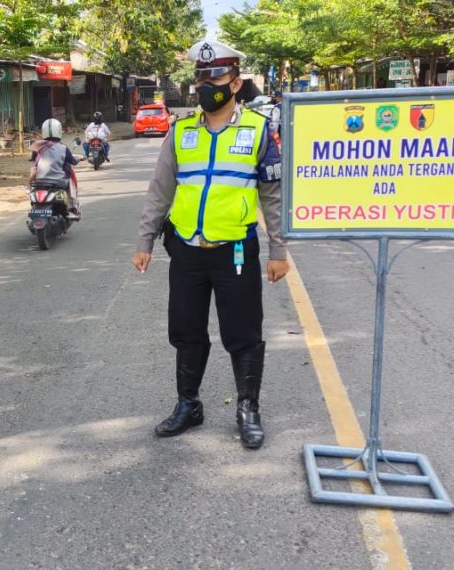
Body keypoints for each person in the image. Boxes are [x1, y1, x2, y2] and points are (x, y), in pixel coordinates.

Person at [131, 39, 289, 450]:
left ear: (235, 83)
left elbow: (272, 196)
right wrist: (144, 240)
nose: (206, 85)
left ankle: (247, 409)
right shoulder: (181, 131)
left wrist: (278, 250)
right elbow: (159, 191)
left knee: (243, 333)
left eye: (215, 77)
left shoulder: (258, 130)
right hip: (185, 250)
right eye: (201, 77)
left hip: (234, 249)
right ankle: (189, 405)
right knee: (186, 331)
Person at [29, 118, 81, 218]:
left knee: (31, 188)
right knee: (71, 182)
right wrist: (78, 159)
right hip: (58, 182)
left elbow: (32, 161)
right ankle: (72, 206)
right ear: (59, 131)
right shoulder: (63, 148)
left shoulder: (37, 146)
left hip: (40, 181)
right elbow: (73, 161)